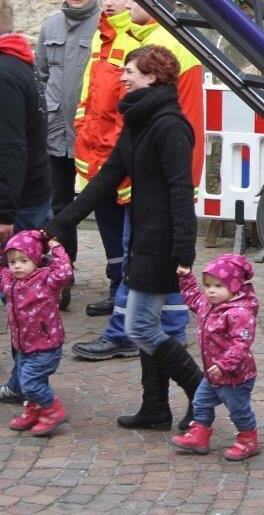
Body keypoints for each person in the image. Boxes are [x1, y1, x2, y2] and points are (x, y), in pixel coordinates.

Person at [44, 45, 204, 432]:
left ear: (152, 77)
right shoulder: (140, 121)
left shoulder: (169, 125)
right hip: (144, 240)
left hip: (161, 243)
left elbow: (181, 191)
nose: (123, 75)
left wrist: (184, 248)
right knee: (151, 324)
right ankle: (155, 408)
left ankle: (201, 393)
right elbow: (105, 180)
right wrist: (59, 224)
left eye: (130, 71)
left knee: (140, 328)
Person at [72, 0, 205, 363]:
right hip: (131, 171)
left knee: (148, 269)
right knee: (152, 271)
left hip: (151, 192)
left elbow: (178, 126)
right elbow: (95, 101)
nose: (119, 4)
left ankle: (145, 339)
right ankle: (155, 353)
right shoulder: (126, 39)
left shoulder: (163, 48)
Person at [74, 0, 139, 323]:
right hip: (95, 151)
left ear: (131, 1)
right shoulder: (102, 36)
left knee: (126, 229)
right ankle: (115, 288)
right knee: (107, 226)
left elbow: (125, 105)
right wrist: (82, 128)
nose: (109, 3)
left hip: (117, 154)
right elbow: (89, 89)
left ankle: (125, 293)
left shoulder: (134, 40)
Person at [0, 0, 54, 406]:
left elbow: (10, 146)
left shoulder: (4, 71)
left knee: (25, 298)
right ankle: (25, 381)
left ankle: (26, 382)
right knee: (27, 298)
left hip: (16, 204)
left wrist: (3, 211)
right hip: (30, 196)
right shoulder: (20, 62)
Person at [36, 0, 101, 266]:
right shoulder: (50, 26)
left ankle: (119, 276)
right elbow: (41, 75)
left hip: (93, 131)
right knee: (59, 204)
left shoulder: (106, 24)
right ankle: (65, 266)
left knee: (106, 204)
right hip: (56, 131)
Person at [170, 254, 260, 460]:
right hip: (212, 374)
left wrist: (224, 364)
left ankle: (248, 439)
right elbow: (193, 297)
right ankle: (200, 434)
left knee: (238, 410)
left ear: (235, 286)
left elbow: (242, 344)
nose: (211, 290)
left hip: (235, 377)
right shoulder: (208, 304)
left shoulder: (239, 313)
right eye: (208, 285)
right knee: (200, 402)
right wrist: (186, 278)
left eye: (219, 286)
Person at [1, 231, 74, 436]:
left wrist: (56, 247)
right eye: (12, 261)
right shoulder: (8, 280)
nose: (16, 266)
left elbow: (65, 272)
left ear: (36, 260)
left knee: (31, 382)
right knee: (28, 383)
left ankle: (54, 411)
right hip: (23, 346)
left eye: (24, 260)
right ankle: (34, 410)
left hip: (45, 346)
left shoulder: (46, 280)